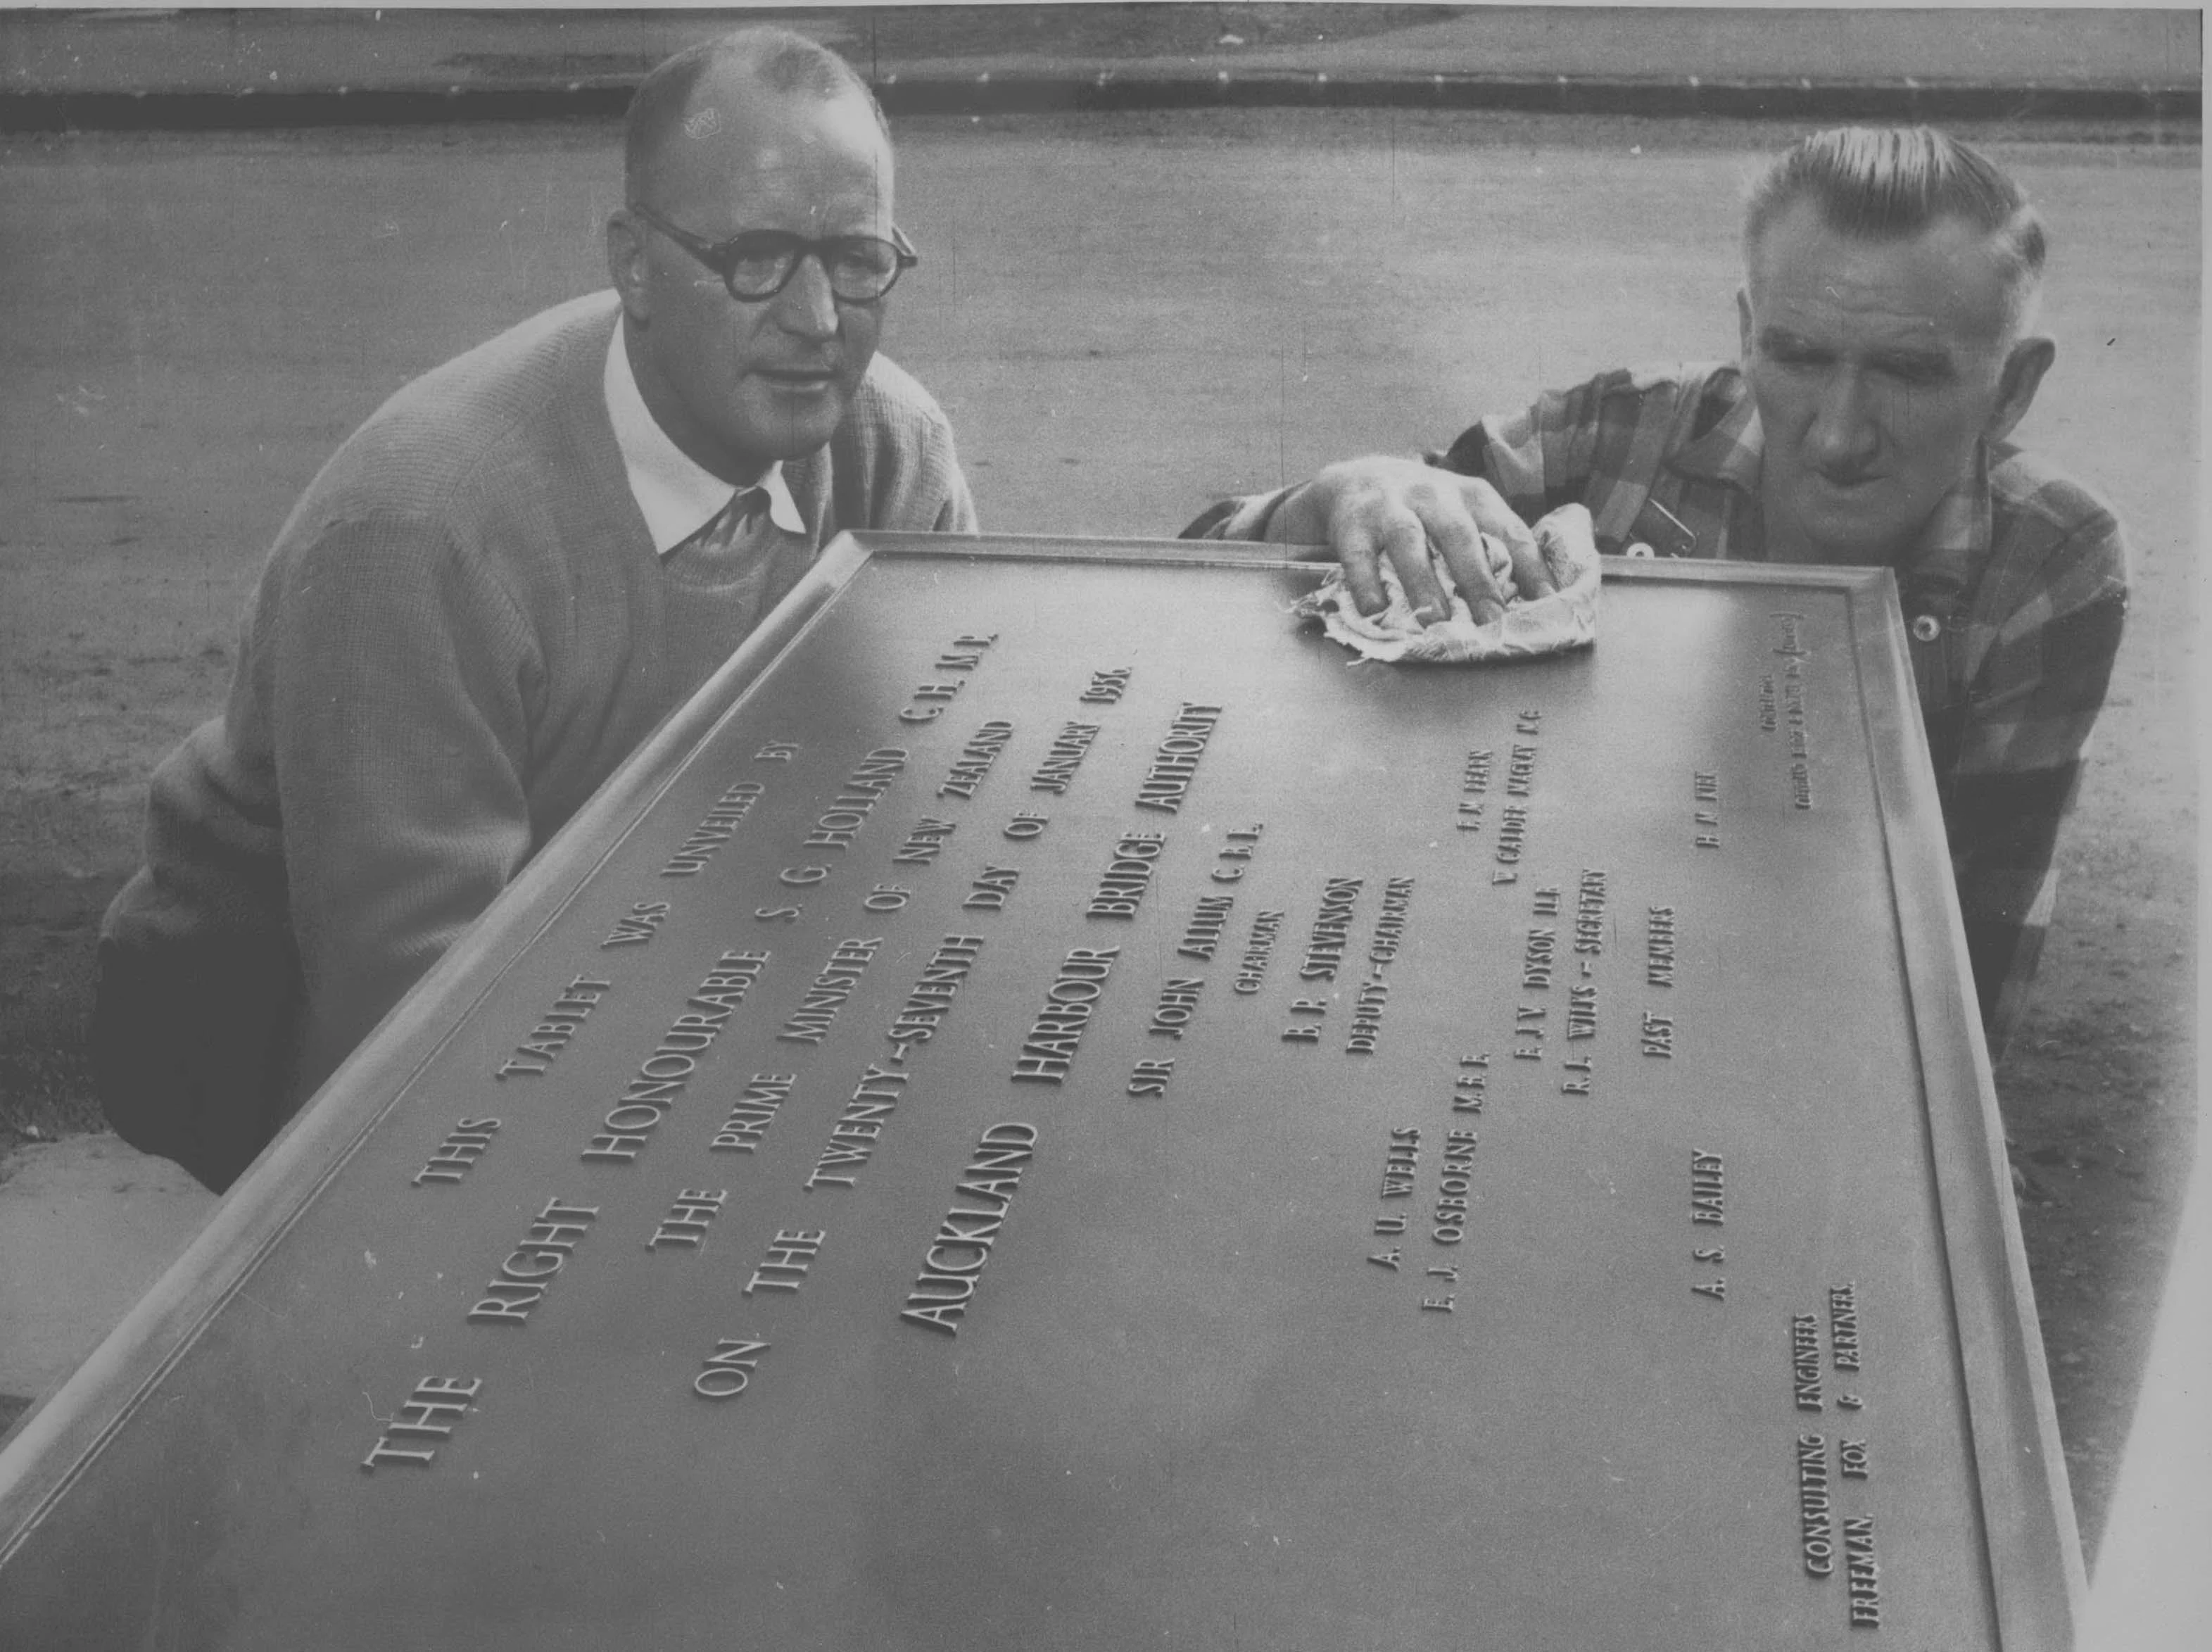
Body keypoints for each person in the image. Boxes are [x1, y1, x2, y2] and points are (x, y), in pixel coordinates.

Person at [96, 27, 975, 1191]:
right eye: (758, 257)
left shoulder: (890, 449)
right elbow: (399, 1028)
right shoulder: (421, 534)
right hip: (268, 999)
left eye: (858, 257)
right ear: (635, 264)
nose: (819, 319)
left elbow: (945, 801)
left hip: (623, 936)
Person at [1185, 127, 2128, 1057]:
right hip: (1510, 989)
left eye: (1907, 372)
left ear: (2011, 389)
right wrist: (1333, 495)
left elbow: (1961, 981)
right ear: (1745, 334)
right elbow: (1199, 573)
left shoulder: (2048, 561)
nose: (1838, 437)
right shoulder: (1610, 433)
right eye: (1797, 357)